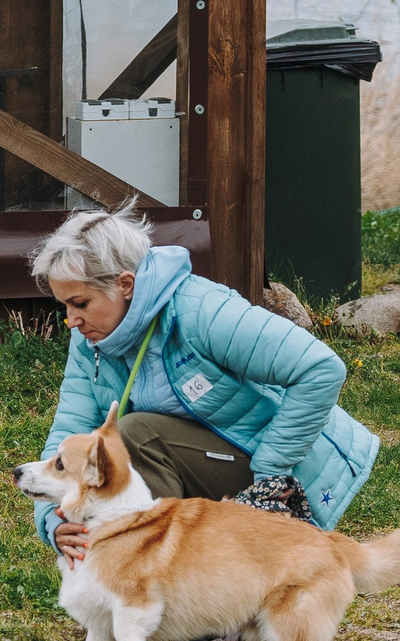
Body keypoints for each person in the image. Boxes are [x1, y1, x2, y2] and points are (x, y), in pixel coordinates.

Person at [28, 203, 378, 569]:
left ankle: (165, 579)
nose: (71, 320)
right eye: (64, 306)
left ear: (125, 285)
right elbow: (69, 432)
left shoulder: (201, 310)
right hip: (198, 463)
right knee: (128, 442)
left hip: (277, 467)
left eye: (80, 303)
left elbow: (320, 368)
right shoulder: (89, 341)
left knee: (135, 436)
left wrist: (271, 471)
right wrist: (53, 521)